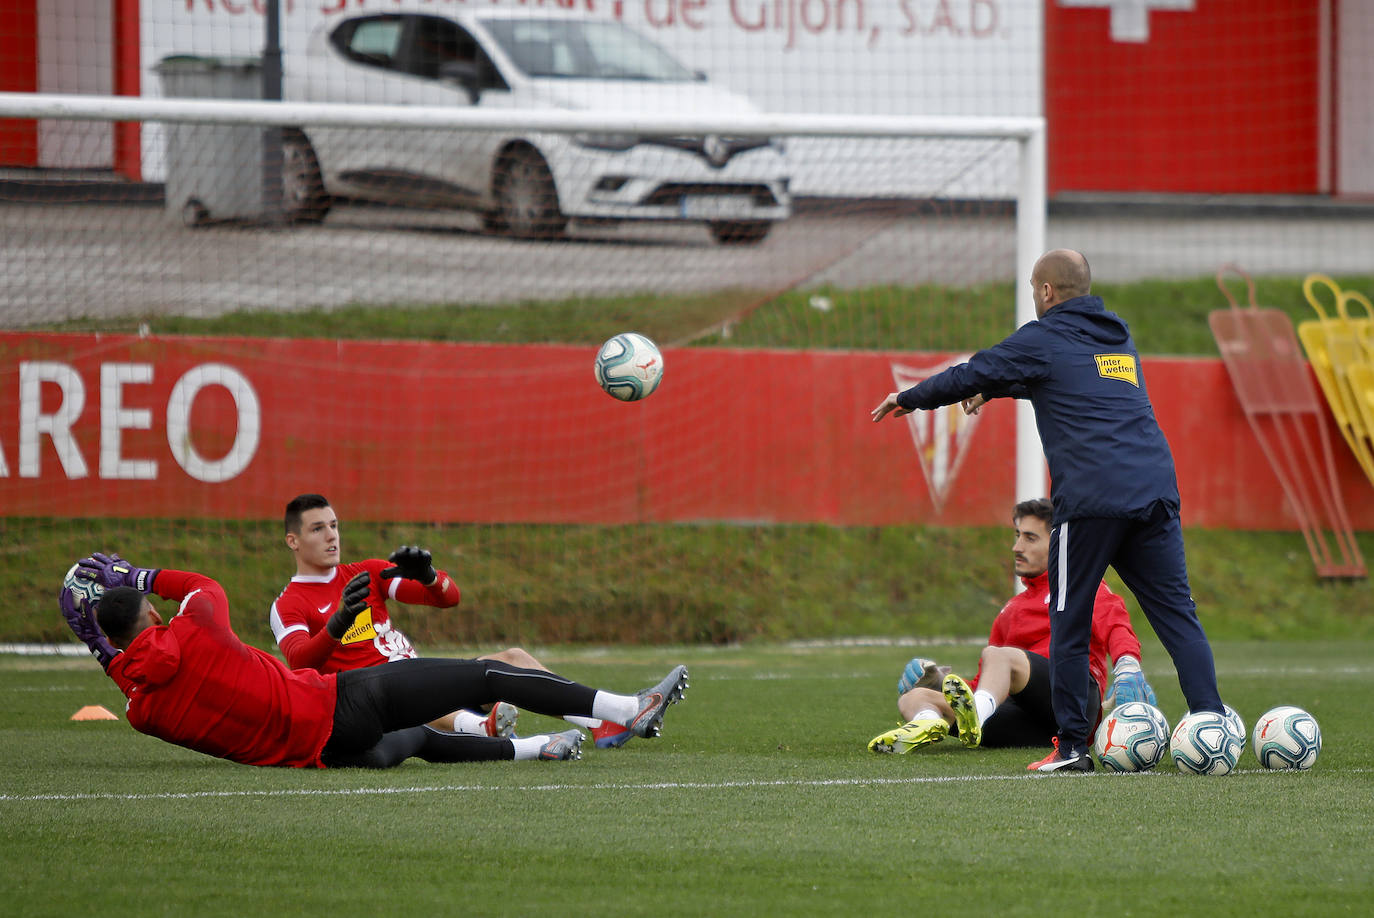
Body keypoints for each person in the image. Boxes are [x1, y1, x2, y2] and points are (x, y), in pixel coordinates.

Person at [872, 248, 1225, 773]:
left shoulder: (1042, 337)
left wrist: (912, 397)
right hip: (1154, 491)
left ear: (1045, 292)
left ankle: (1073, 748)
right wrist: (993, 390)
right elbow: (1047, 376)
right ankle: (1211, 724)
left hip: (1091, 500)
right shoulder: (1116, 337)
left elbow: (974, 370)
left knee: (1069, 616)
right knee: (1178, 617)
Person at [59, 552, 688, 769]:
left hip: (317, 756)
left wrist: (100, 642)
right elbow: (197, 582)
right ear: (151, 611)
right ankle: (628, 710)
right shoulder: (197, 623)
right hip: (336, 706)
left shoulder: (141, 709)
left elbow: (129, 671)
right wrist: (140, 573)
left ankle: (538, 747)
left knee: (414, 740)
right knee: (488, 672)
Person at [270, 494, 633, 749]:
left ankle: (598, 722)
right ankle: (481, 728)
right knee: (415, 692)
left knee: (512, 659)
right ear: (293, 541)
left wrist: (428, 576)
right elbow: (300, 662)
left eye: (333, 525)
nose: (332, 535)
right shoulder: (289, 603)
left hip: (423, 678)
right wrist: (338, 623)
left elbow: (448, 598)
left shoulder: (366, 572)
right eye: (317, 529)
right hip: (378, 704)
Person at [867, 498, 1158, 754]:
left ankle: (975, 719)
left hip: (1077, 705)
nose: (1016, 547)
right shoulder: (1011, 610)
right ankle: (926, 724)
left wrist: (1128, 667)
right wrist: (936, 681)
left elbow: (1117, 627)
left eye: (1030, 538)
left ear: (1059, 543)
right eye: (1018, 536)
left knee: (998, 654)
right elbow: (986, 686)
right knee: (913, 697)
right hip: (1031, 722)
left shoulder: (1082, 588)